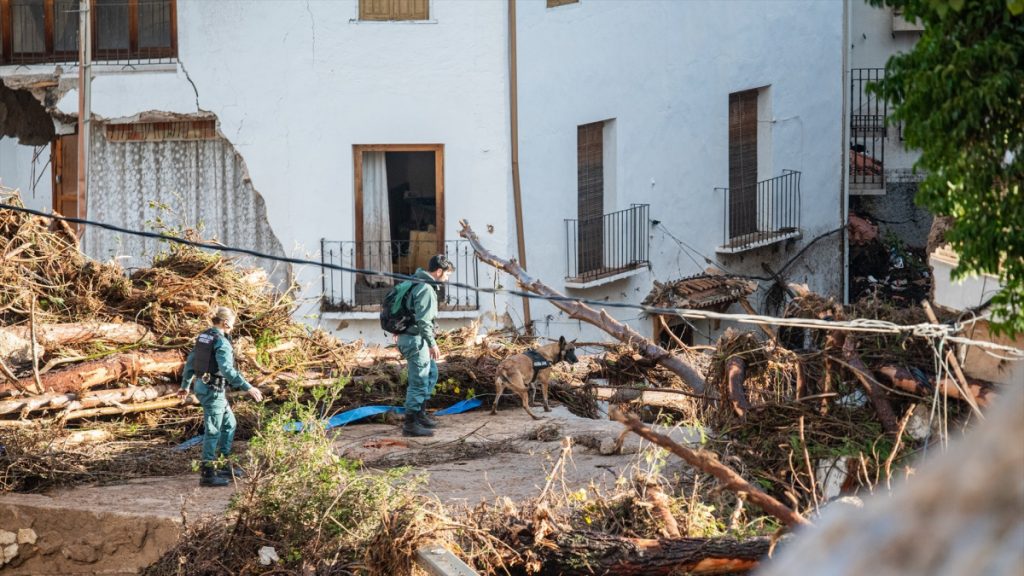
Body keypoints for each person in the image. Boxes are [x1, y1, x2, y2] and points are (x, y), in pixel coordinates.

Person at [178, 306, 263, 487]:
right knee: (214, 430)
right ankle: (208, 473)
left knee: (229, 424)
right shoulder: (222, 342)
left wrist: (185, 386)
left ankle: (223, 464)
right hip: (213, 390)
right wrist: (248, 387)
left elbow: (191, 362)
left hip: (204, 386)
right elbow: (227, 370)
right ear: (225, 323)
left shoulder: (205, 336)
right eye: (232, 324)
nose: (233, 327)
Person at [397, 254, 454, 437]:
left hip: (412, 337)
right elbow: (423, 321)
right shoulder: (426, 288)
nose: (447, 278)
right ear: (439, 271)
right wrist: (432, 344)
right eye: (447, 274)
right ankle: (410, 424)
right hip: (416, 339)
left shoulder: (416, 281)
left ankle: (420, 415)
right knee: (419, 379)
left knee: (430, 373)